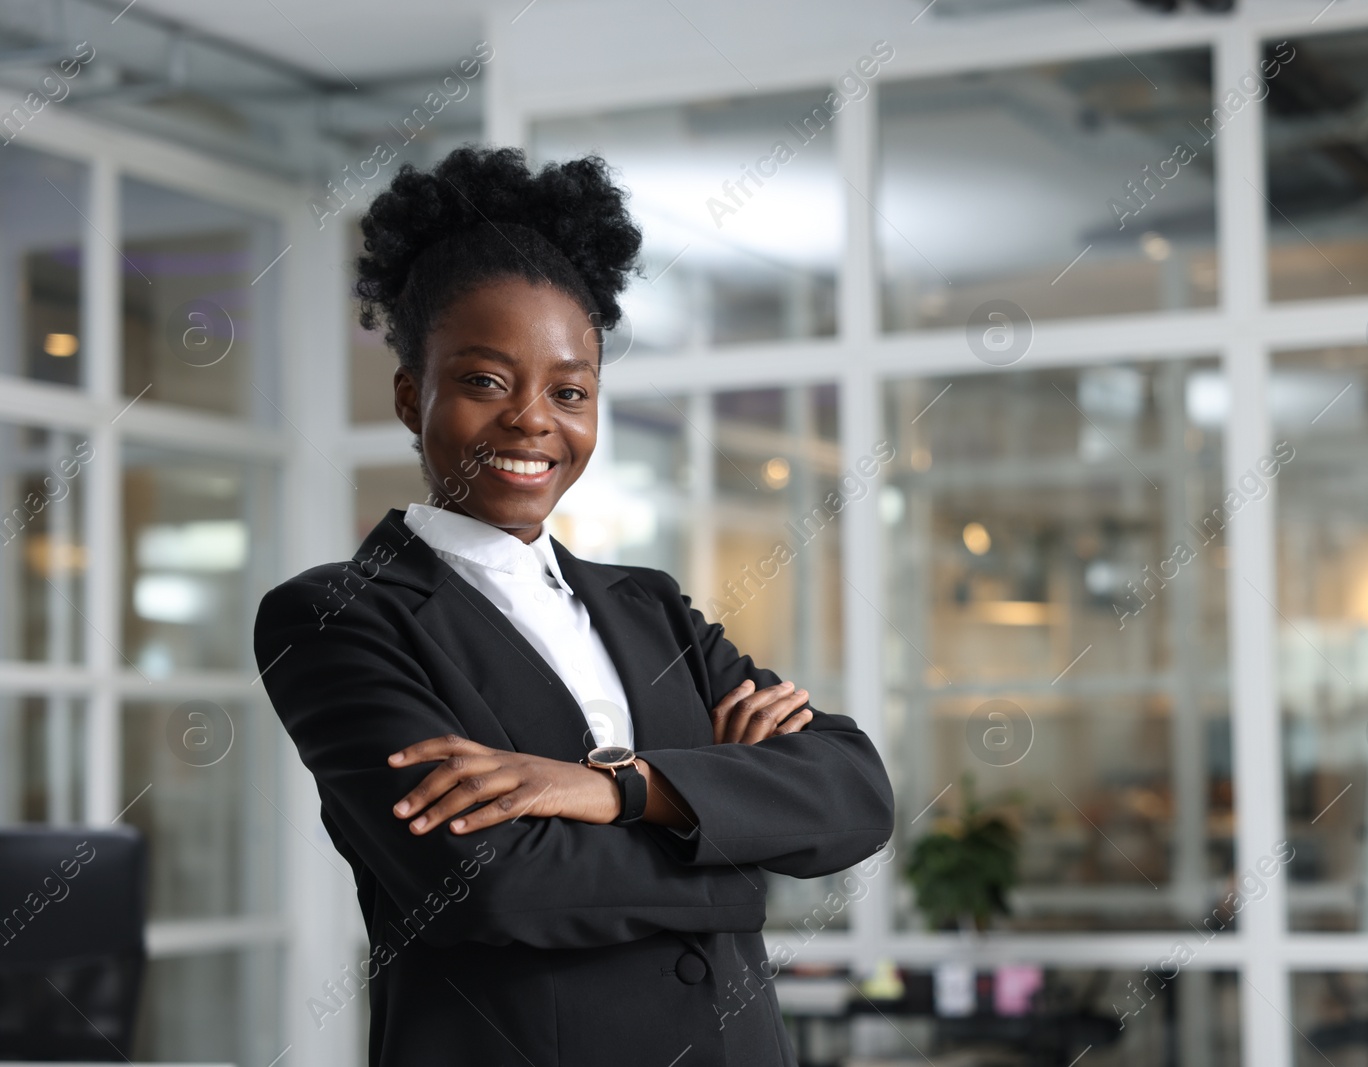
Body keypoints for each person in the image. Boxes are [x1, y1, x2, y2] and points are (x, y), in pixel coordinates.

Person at [253, 146, 894, 1066]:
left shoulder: (652, 607)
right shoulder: (338, 615)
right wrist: (734, 843)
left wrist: (612, 789)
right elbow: (492, 888)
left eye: (570, 390)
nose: (532, 420)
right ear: (410, 395)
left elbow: (855, 795)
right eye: (484, 381)